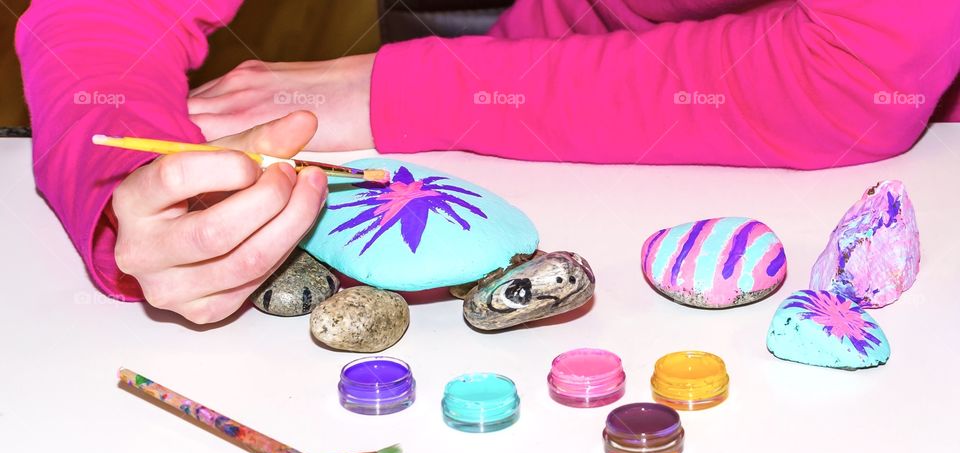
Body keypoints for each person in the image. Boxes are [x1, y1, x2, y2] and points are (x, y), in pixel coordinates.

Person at [16, 0, 960, 323]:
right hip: (569, 95)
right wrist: (122, 197)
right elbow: (94, 23)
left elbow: (859, 71)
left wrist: (396, 92)